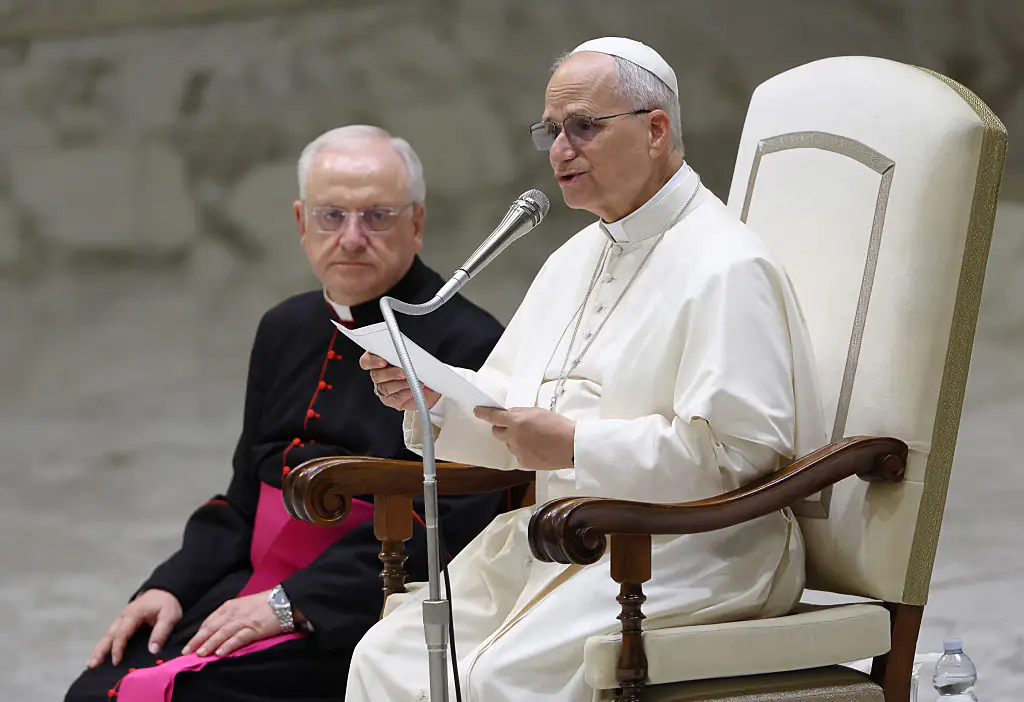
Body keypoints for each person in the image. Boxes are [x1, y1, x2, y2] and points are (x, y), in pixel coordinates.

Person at [352, 38, 827, 701]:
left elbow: (738, 453)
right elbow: (517, 405)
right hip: (565, 539)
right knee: (385, 656)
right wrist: (435, 398)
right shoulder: (577, 256)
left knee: (494, 680)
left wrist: (574, 445)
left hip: (696, 550)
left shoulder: (728, 266)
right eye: (551, 132)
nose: (559, 150)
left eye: (582, 128)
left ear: (655, 130)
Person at [65, 125, 507, 702]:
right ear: (301, 223)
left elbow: (455, 525)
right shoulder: (286, 327)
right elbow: (242, 497)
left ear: (416, 224)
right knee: (98, 686)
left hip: (367, 603)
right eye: (331, 216)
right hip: (247, 581)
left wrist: (294, 602)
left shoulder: (470, 340)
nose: (351, 238)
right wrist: (170, 585)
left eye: (377, 216)